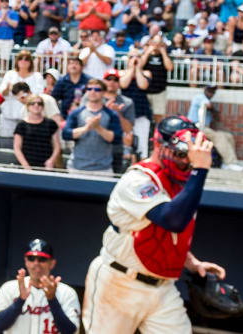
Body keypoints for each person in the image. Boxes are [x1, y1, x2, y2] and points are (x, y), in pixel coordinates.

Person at [83, 117, 227, 334]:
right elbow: (172, 220)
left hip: (162, 288)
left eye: (188, 152)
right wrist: (200, 170)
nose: (185, 159)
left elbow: (165, 235)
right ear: (158, 145)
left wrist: (192, 262)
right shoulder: (138, 179)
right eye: (179, 151)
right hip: (120, 282)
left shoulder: (181, 184)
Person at [0, 239, 80, 334]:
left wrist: (52, 300)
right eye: (31, 258)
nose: (36, 263)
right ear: (26, 261)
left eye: (42, 259)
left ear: (52, 263)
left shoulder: (67, 293)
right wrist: (20, 300)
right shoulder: (9, 288)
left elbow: (70, 331)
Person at [65, 79, 123, 176]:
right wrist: (86, 128)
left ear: (103, 93)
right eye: (89, 89)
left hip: (103, 169)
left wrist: (98, 127)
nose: (93, 92)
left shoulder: (111, 114)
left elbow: (116, 138)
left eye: (97, 89)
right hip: (76, 168)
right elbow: (66, 134)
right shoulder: (76, 113)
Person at [14, 95, 61, 171]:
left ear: (43, 106)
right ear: (28, 107)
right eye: (33, 103)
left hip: (46, 166)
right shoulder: (21, 125)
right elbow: (17, 148)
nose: (36, 105)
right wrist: (26, 166)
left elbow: (57, 146)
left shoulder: (50, 123)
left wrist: (51, 160)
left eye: (39, 103)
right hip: (26, 167)